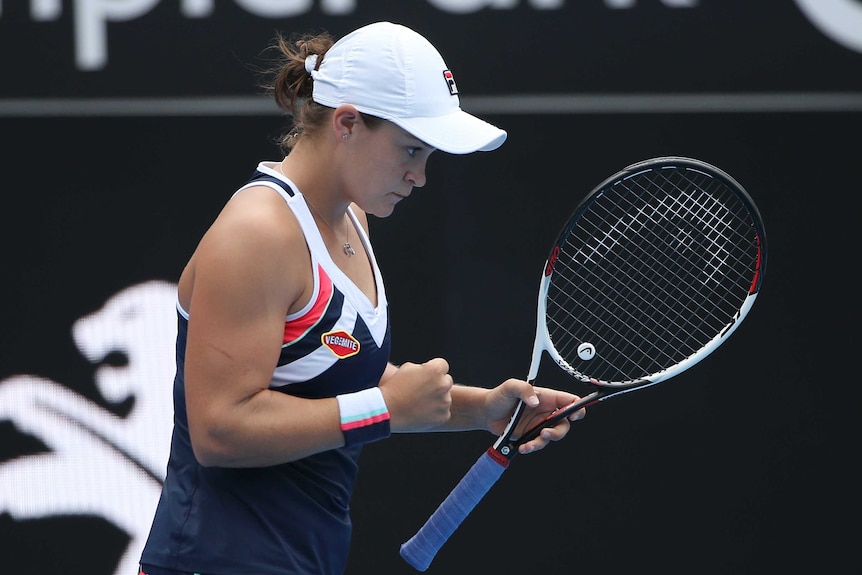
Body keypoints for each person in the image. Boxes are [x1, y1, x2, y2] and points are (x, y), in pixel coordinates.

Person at [138, 21, 585, 575]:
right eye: (411, 150)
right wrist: (386, 411)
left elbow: (334, 371)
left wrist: (484, 409)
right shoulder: (257, 233)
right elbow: (219, 430)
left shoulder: (353, 220)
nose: (420, 176)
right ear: (347, 123)